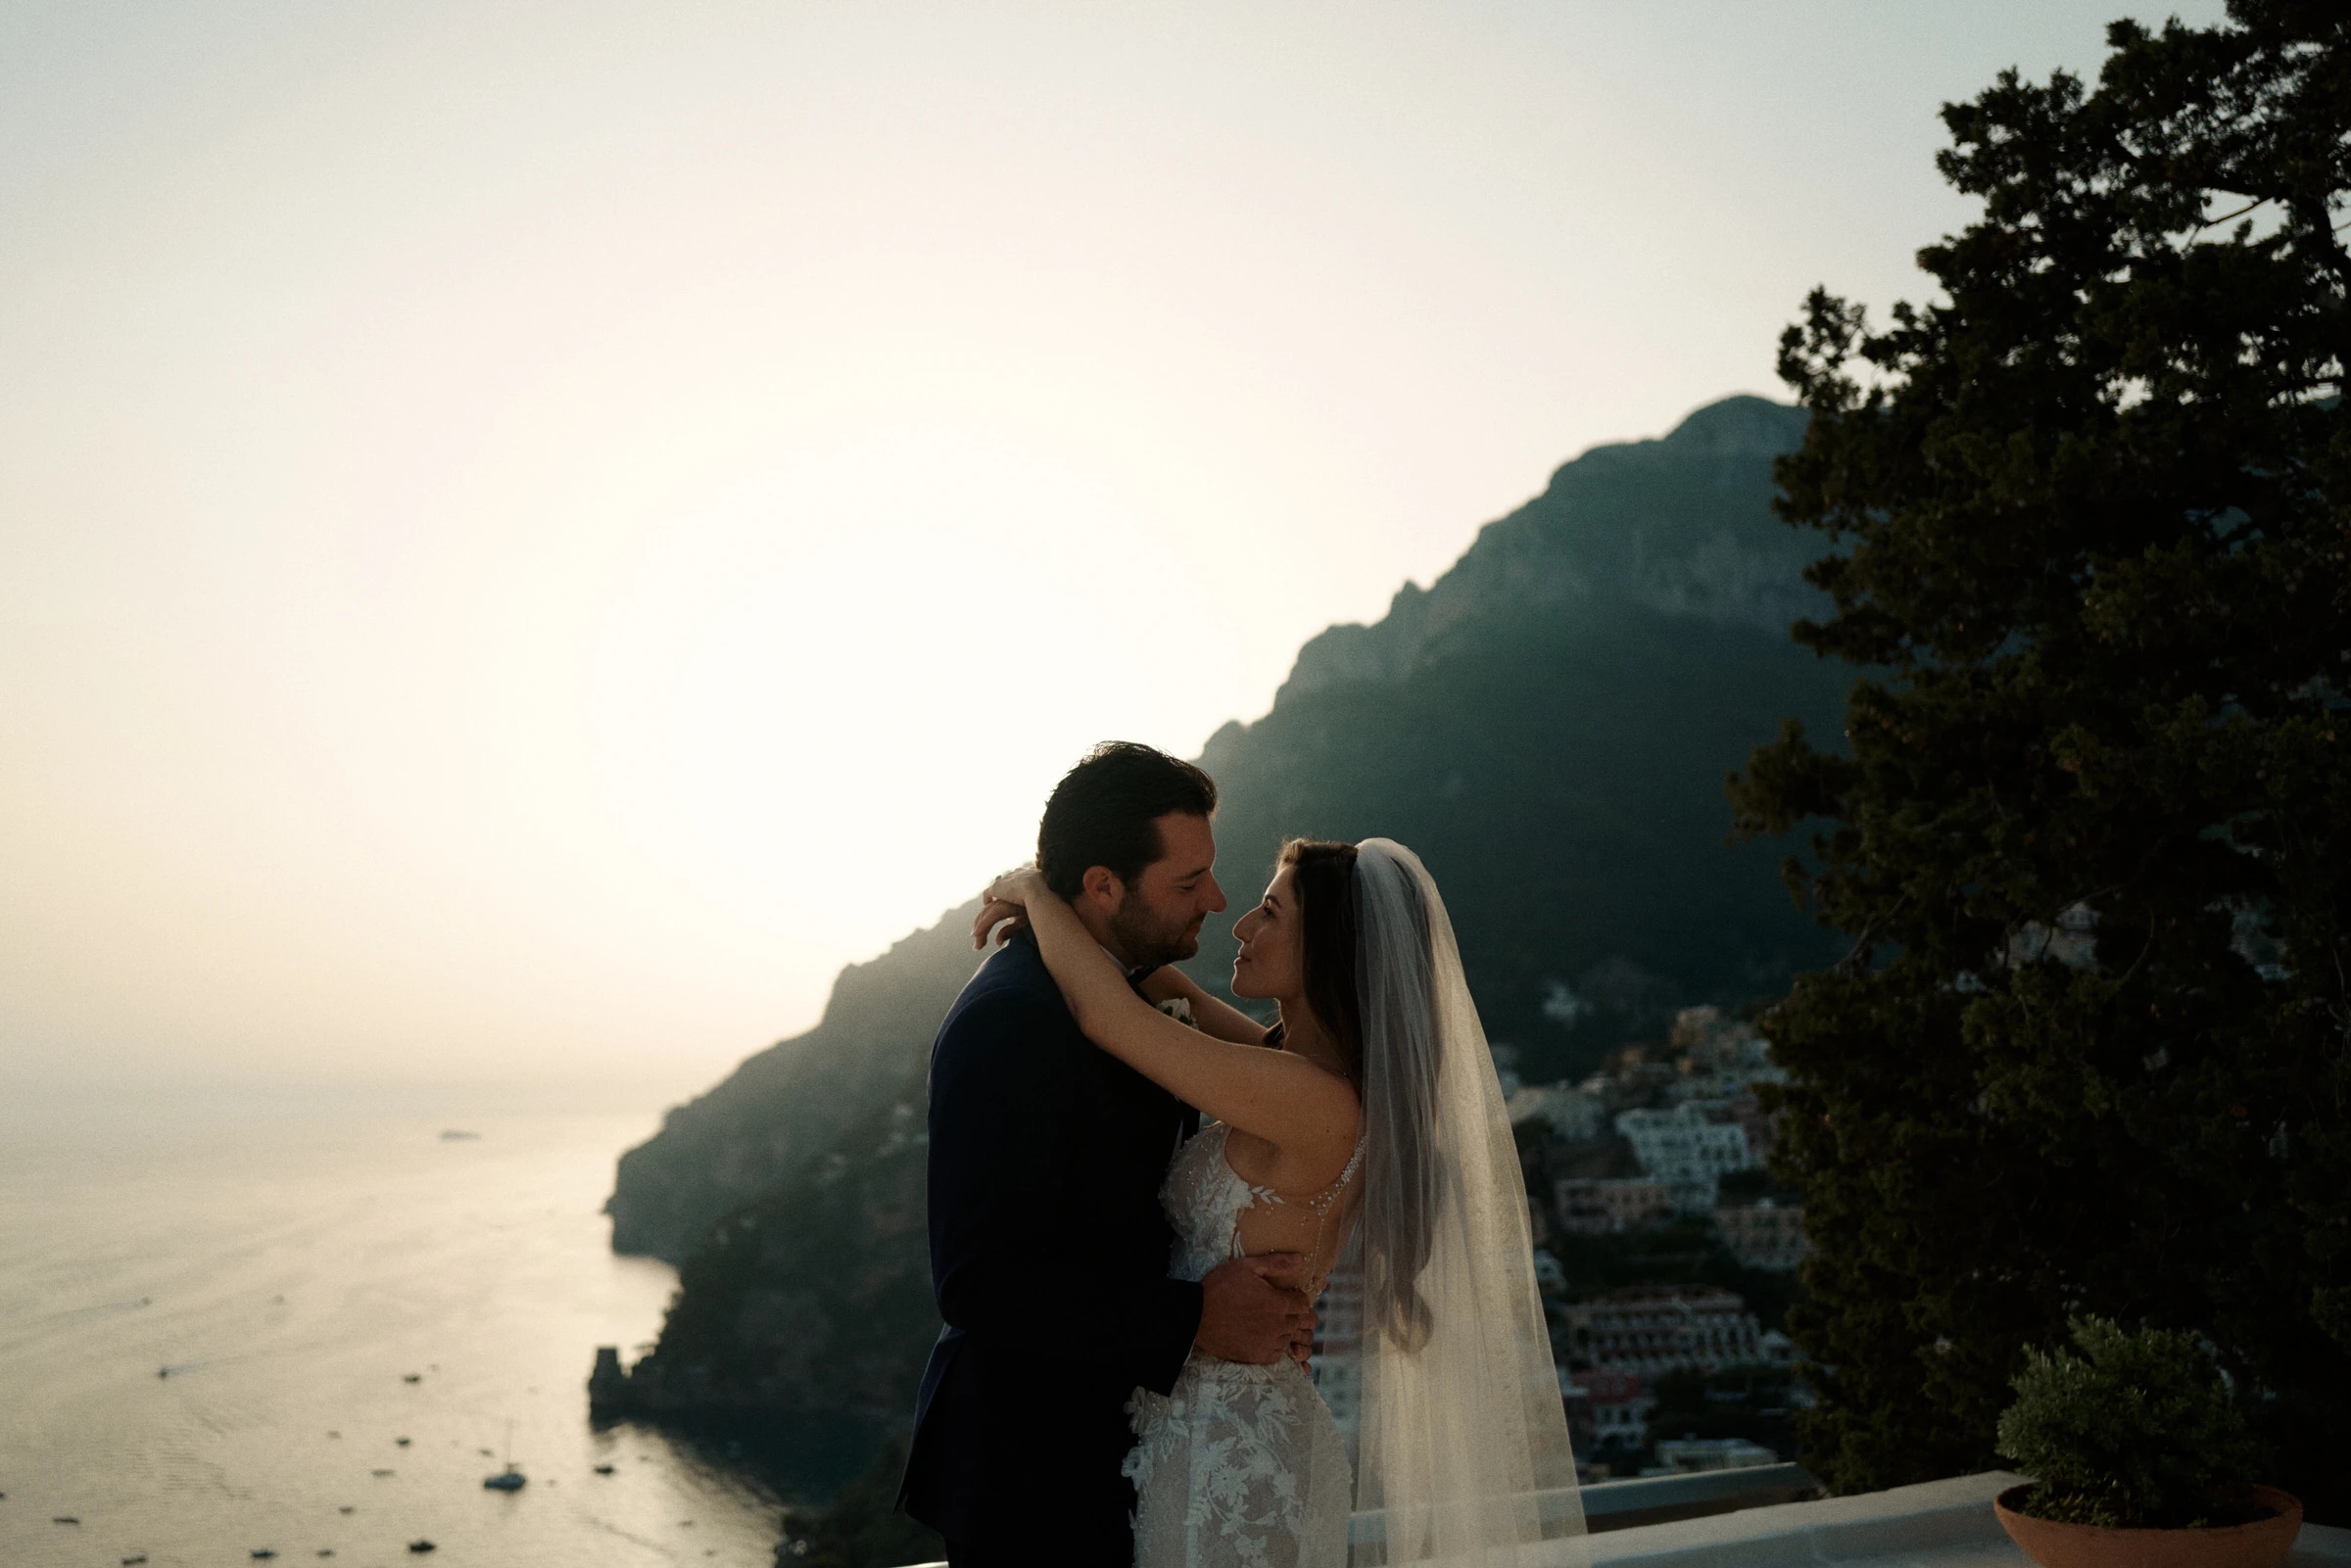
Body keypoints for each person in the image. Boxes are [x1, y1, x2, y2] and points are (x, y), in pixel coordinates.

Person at [975, 833, 1587, 1568]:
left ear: (1327, 948)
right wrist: (1117, 936)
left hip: (1231, 1455)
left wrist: (1039, 891)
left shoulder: (1311, 1101)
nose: (1240, 926)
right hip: (1219, 1433)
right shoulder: (1316, 1078)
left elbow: (1113, 1020)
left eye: (1269, 911)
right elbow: (1190, 1007)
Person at [898, 742, 1319, 1568]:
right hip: (1032, 1477)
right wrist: (1197, 1315)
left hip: (1131, 1454)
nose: (1219, 899)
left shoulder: (1132, 991)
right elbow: (979, 1280)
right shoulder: (1011, 1017)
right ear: (1101, 885)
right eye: (1188, 883)